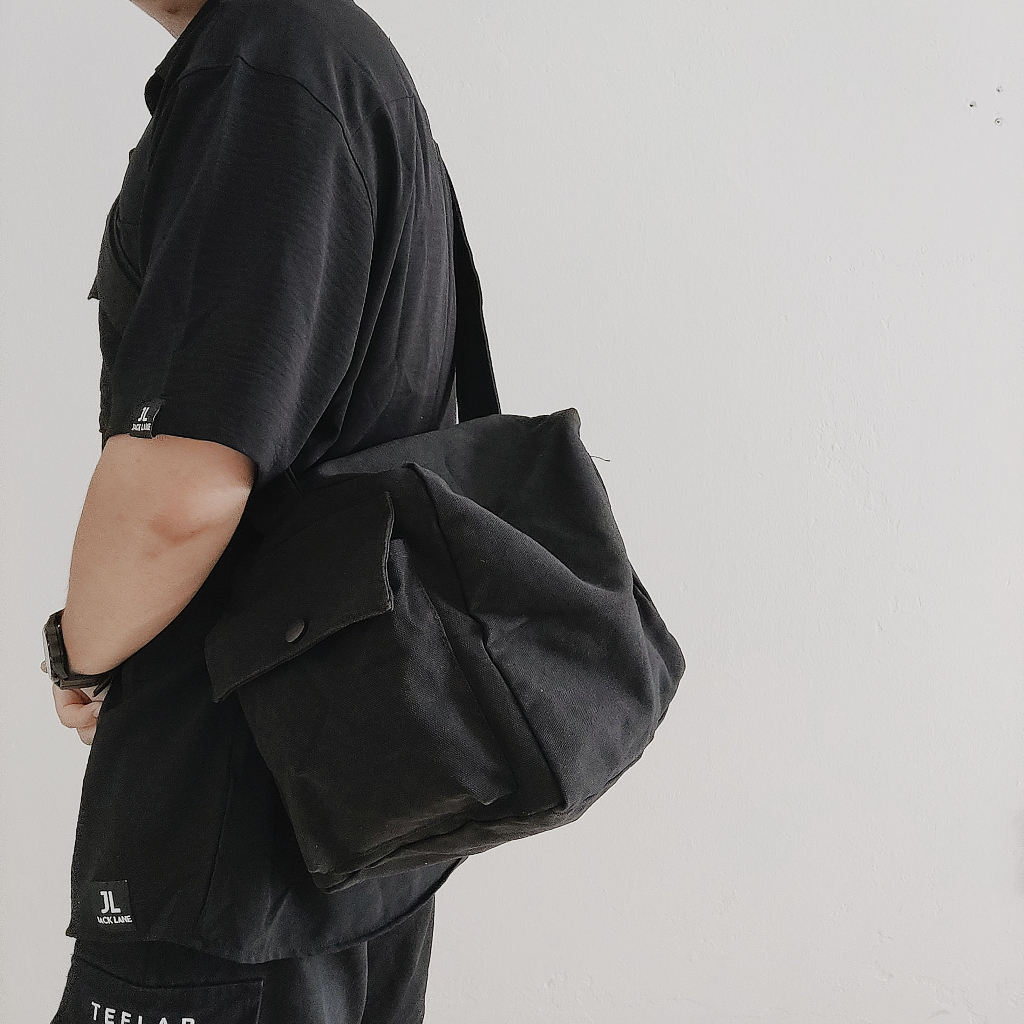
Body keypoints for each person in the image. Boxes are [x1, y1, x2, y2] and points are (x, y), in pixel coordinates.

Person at [45, 0, 465, 1019]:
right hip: (343, 806)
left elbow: (180, 493)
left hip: (232, 822)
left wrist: (80, 657)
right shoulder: (334, 55)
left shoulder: (265, 71)